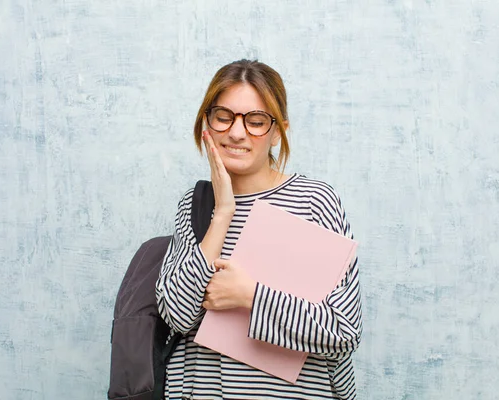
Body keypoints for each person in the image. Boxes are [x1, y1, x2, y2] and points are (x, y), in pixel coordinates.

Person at [155, 59, 363, 400]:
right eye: (224, 117)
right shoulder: (195, 203)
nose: (237, 133)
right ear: (206, 122)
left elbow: (342, 333)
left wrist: (249, 296)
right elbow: (177, 315)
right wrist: (222, 212)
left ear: (277, 131)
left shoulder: (315, 202)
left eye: (255, 122)